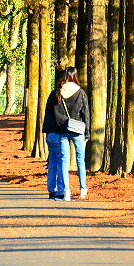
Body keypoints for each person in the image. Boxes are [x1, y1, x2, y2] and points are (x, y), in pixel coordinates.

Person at [42, 66, 90, 201]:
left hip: (61, 131)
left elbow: (50, 113)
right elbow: (85, 114)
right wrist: (87, 133)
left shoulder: (56, 93)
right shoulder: (80, 92)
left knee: (63, 162)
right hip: (78, 130)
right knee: (81, 161)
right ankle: (82, 189)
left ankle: (66, 191)